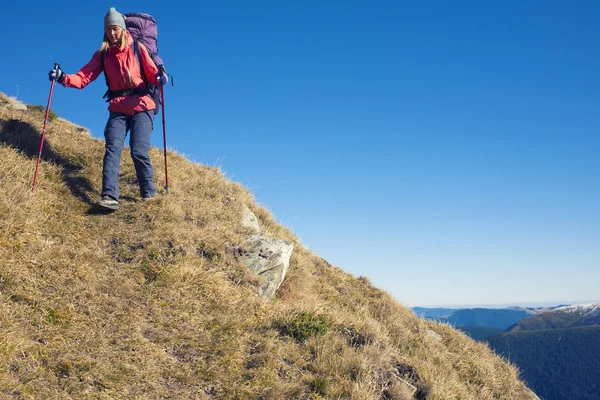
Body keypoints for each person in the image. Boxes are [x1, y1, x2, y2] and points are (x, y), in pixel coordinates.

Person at [49, 7, 168, 210]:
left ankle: (149, 193)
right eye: (108, 29)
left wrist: (160, 77)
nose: (112, 33)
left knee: (138, 151)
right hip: (118, 107)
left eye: (115, 29)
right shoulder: (103, 54)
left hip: (142, 105)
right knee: (112, 149)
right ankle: (109, 195)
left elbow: (151, 74)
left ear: (122, 29)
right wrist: (62, 77)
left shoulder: (138, 48)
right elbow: (84, 77)